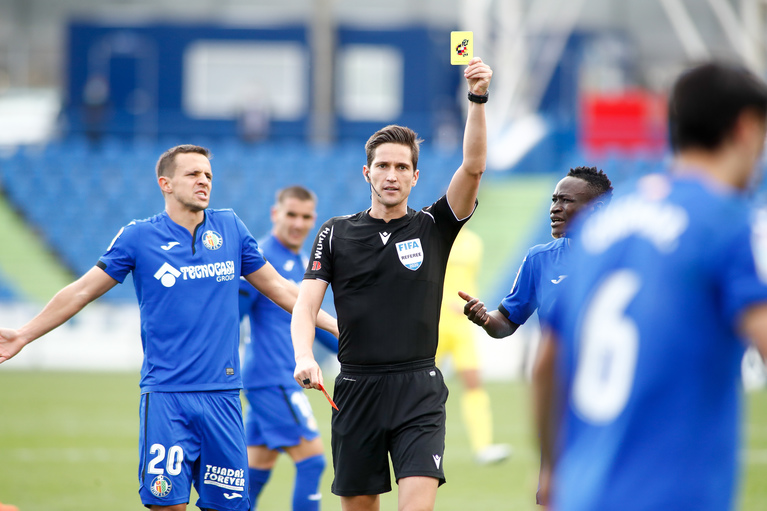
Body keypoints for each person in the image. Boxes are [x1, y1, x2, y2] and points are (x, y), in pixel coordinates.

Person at [0, 144, 338, 511]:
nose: (203, 181)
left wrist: (338, 327)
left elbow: (285, 291)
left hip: (223, 397)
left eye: (208, 175)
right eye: (193, 174)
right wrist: (23, 334)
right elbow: (80, 291)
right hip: (167, 397)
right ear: (165, 183)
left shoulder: (230, 228)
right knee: (166, 506)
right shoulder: (138, 237)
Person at [533, 61, 767, 511]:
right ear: (746, 128)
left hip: (583, 494)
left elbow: (546, 364)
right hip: (673, 496)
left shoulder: (603, 228)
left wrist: (553, 470)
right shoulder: (727, 220)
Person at [291, 57, 493, 511]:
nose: (391, 174)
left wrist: (477, 98)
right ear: (367, 173)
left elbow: (474, 167)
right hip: (356, 388)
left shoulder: (434, 227)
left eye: (402, 167)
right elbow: (305, 307)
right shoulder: (335, 232)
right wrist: (304, 356)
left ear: (415, 176)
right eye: (382, 165)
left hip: (418, 387)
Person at [460, 165, 612, 504]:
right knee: (551, 495)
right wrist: (486, 318)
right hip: (559, 399)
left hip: (612, 397)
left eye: (566, 201)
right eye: (553, 199)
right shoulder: (539, 259)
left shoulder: (624, 255)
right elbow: (506, 323)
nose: (554, 208)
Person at [239, 185, 338, 510]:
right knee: (312, 462)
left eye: (306, 216)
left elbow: (310, 320)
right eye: (291, 214)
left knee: (254, 471)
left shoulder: (297, 259)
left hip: (273, 380)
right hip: (274, 379)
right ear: (275, 214)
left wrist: (354, 344)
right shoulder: (261, 259)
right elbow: (230, 318)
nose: (298, 223)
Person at [436, 227, 511, 464]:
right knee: (419, 383)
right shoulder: (436, 237)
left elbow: (470, 280)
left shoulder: (473, 242)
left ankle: (483, 447)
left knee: (473, 382)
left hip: (462, 325)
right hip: (436, 320)